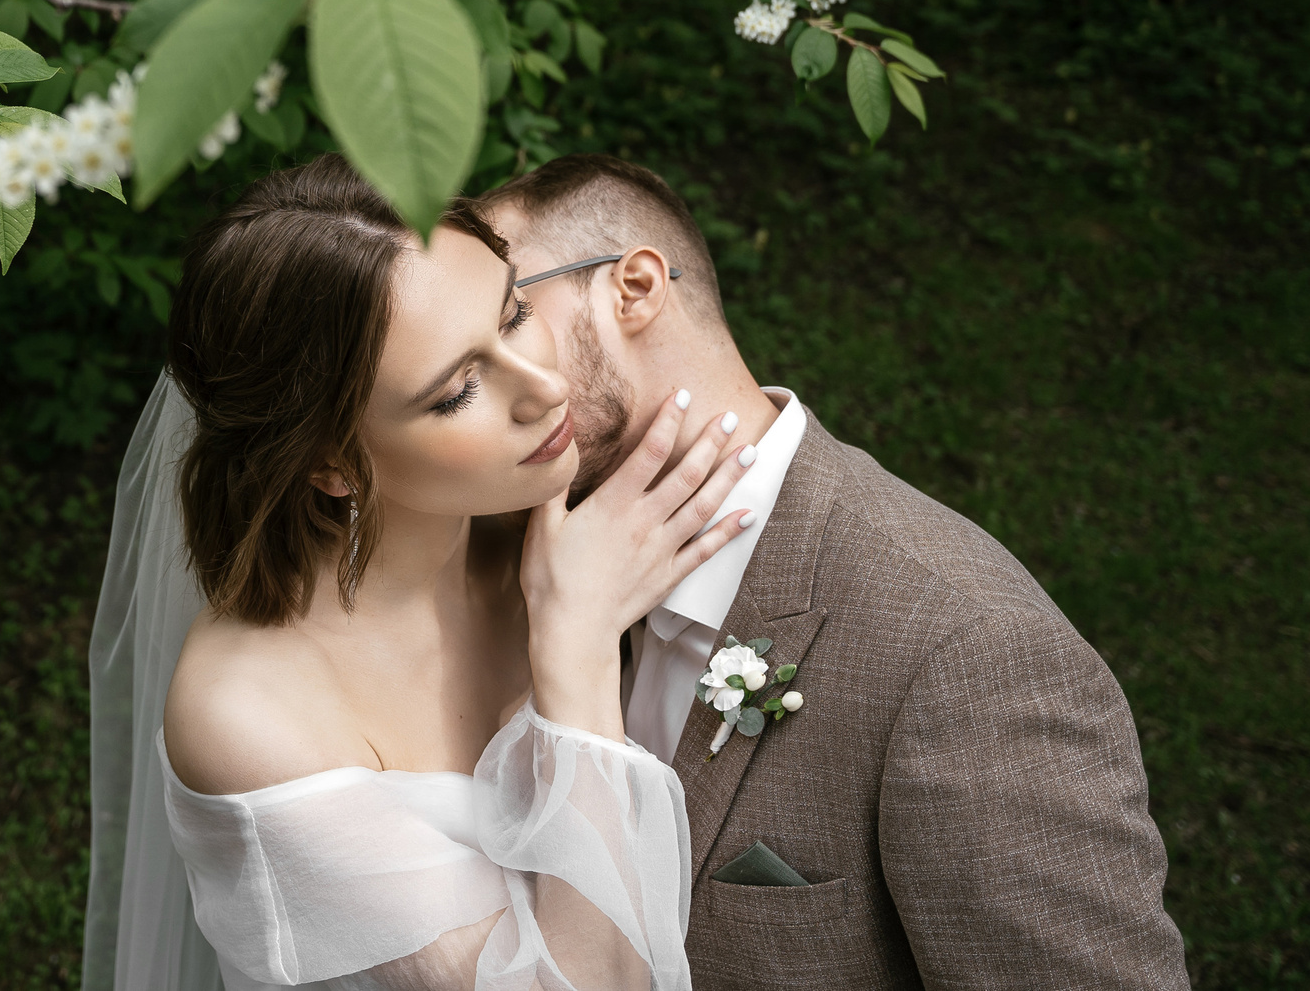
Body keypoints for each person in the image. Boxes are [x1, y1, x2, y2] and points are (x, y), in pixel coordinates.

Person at [476, 154, 1191, 990]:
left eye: (510, 314)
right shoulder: (520, 575)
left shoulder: (967, 654)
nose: (481, 376)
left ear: (633, 287)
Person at [85, 156, 760, 990]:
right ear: (333, 464)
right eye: (456, 391)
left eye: (513, 313)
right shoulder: (248, 716)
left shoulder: (537, 514)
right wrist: (576, 646)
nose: (546, 388)